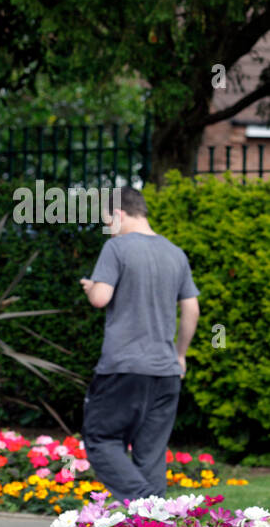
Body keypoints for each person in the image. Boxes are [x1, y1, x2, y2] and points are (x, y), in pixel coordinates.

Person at [78, 186, 199, 501]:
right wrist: (181, 355)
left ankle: (146, 502)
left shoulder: (116, 248)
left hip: (123, 367)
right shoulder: (175, 253)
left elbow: (101, 298)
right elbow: (191, 309)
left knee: (101, 439)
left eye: (107, 221)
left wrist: (91, 287)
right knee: (151, 453)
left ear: (118, 214)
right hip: (166, 371)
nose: (108, 229)